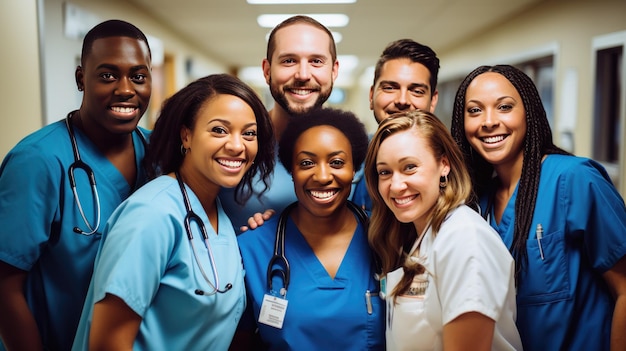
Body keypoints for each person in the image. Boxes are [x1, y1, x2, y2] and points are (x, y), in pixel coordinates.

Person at [72, 74, 275, 350]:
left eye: (249, 133)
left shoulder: (216, 212)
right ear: (186, 135)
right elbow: (107, 343)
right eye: (219, 130)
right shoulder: (151, 214)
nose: (237, 146)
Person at [450, 64, 626, 351]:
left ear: (528, 112)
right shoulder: (474, 203)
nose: (489, 121)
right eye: (474, 110)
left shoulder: (574, 179)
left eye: (504, 107)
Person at [0, 20, 152, 351]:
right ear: (81, 78)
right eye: (108, 75)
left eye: (138, 77)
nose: (126, 89)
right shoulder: (38, 161)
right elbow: (5, 285)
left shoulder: (160, 154)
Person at [365, 110, 522, 350]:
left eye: (409, 167)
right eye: (385, 172)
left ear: (444, 165)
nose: (396, 185)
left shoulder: (464, 238)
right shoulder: (417, 238)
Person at [231, 108, 385, 350]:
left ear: (354, 168)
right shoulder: (253, 247)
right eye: (306, 163)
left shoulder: (386, 238)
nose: (322, 176)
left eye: (336, 162)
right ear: (291, 170)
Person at [220, 15, 340, 232]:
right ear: (267, 71)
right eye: (289, 61)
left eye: (316, 61)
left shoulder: (358, 152)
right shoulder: (231, 147)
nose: (303, 75)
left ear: (334, 71)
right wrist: (247, 242)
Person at [352, 38, 440, 211]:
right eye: (390, 88)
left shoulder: (446, 168)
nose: (402, 101)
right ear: (371, 96)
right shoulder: (351, 158)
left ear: (432, 101)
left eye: (416, 91)